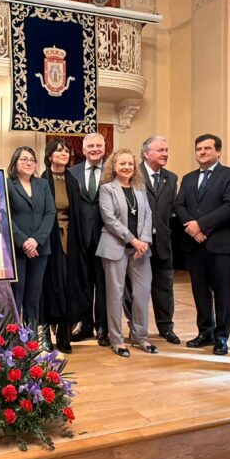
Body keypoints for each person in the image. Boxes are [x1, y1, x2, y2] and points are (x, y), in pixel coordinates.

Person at [174, 134, 230, 356]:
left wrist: (201, 226)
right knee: (200, 293)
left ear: (218, 152)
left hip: (220, 245)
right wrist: (192, 229)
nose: (202, 152)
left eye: (207, 149)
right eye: (199, 149)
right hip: (195, 246)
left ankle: (221, 338)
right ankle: (205, 332)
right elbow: (179, 205)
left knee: (222, 295)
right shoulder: (189, 177)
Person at [96, 149, 155, 357]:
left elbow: (148, 214)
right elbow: (109, 219)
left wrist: (144, 242)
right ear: (114, 166)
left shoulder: (140, 187)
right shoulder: (106, 189)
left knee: (142, 293)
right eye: (122, 163)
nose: (127, 167)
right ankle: (117, 339)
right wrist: (133, 240)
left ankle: (140, 337)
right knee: (115, 294)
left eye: (130, 163)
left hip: (140, 250)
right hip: (115, 247)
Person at [40, 139, 86, 353]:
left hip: (71, 239)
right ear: (49, 155)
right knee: (50, 287)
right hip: (49, 240)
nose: (63, 153)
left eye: (66, 151)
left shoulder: (73, 181)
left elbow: (78, 214)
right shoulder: (41, 180)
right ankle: (46, 334)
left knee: (69, 285)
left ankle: (64, 332)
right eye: (58, 150)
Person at [8, 147, 56, 338]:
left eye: (32, 160)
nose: (28, 163)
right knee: (16, 296)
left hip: (40, 249)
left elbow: (50, 213)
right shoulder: (8, 184)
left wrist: (36, 240)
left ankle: (30, 340)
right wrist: (23, 241)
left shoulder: (42, 184)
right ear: (15, 163)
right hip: (17, 249)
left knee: (33, 297)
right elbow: (4, 214)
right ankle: (13, 339)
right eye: (23, 159)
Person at [139, 136, 180, 345]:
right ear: (146, 153)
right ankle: (137, 330)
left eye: (166, 149)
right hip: (139, 244)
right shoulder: (134, 174)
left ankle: (166, 327)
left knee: (164, 287)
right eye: (160, 150)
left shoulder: (171, 178)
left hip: (163, 242)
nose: (165, 153)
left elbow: (173, 209)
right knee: (136, 289)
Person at [69, 133, 109, 346]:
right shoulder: (71, 173)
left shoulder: (112, 172)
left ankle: (103, 327)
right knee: (82, 282)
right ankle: (84, 325)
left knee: (103, 284)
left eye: (98, 145)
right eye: (90, 146)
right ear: (83, 150)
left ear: (105, 148)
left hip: (106, 237)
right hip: (79, 237)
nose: (94, 149)